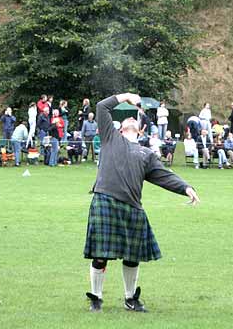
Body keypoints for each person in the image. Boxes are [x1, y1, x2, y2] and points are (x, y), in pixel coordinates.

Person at [84, 92, 199, 312]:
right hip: (105, 200)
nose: (130, 120)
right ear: (119, 129)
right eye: (126, 120)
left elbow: (164, 176)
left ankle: (130, 299)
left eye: (133, 120)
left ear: (141, 130)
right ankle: (96, 298)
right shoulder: (110, 137)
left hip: (132, 207)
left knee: (132, 256)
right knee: (100, 256)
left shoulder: (146, 154)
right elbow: (101, 107)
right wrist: (126, 96)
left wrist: (186, 187)